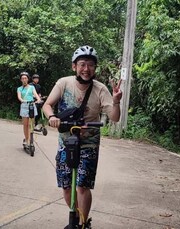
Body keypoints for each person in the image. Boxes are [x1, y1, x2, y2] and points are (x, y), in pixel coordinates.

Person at [42, 45, 122, 229]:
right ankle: (77, 218)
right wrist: (52, 117)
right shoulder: (63, 83)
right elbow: (47, 105)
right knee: (66, 184)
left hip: (89, 144)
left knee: (82, 186)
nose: (86, 69)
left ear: (95, 68)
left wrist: (116, 101)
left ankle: (84, 224)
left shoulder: (100, 89)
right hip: (67, 141)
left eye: (91, 65)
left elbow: (115, 117)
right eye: (82, 64)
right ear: (74, 67)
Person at [17, 72, 42, 146]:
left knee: (31, 124)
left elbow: (36, 95)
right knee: (25, 125)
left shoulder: (32, 87)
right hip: (24, 106)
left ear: (28, 79)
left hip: (32, 105)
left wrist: (38, 100)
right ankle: (27, 139)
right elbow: (19, 97)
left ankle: (31, 139)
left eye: (25, 78)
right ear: (21, 80)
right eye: (22, 78)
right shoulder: (19, 88)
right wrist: (23, 100)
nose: (24, 80)